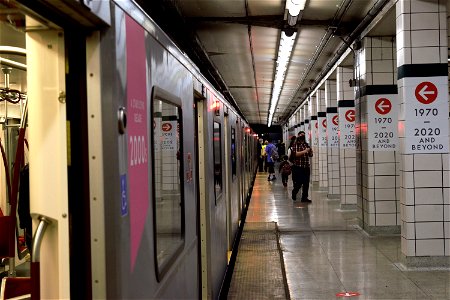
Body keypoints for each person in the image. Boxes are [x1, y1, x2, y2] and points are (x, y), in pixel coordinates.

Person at [288, 131, 313, 203]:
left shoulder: (306, 144)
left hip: (306, 167)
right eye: (301, 135)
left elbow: (310, 155)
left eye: (304, 135)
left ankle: (304, 197)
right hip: (298, 167)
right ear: (298, 136)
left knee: (306, 183)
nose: (303, 136)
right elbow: (295, 154)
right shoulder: (295, 144)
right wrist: (305, 151)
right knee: (299, 182)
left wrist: (310, 152)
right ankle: (294, 191)